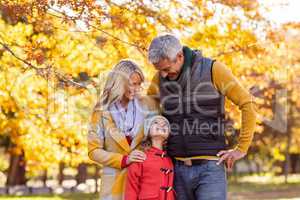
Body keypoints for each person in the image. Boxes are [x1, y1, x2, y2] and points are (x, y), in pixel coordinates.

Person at [147, 34, 257, 200]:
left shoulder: (213, 69)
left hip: (210, 169)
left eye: (166, 69)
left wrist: (241, 149)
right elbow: (148, 112)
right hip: (175, 169)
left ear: (179, 56)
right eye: (159, 70)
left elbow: (247, 103)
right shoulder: (159, 79)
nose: (162, 75)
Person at [87, 60, 158, 200]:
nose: (137, 88)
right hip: (114, 183)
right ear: (119, 83)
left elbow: (157, 139)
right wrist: (123, 160)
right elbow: (93, 151)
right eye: (132, 84)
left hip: (143, 180)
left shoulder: (148, 105)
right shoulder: (101, 111)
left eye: (139, 84)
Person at [125, 115, 175, 200]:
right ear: (147, 131)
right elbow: (131, 188)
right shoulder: (140, 156)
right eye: (155, 122)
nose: (161, 124)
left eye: (165, 124)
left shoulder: (170, 159)